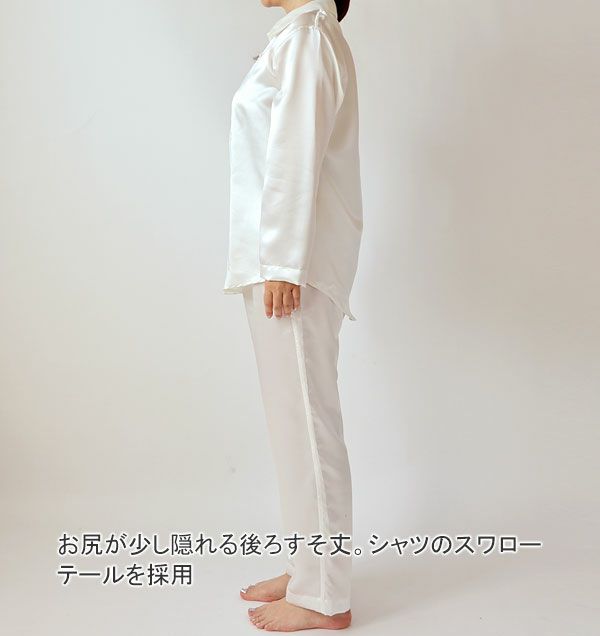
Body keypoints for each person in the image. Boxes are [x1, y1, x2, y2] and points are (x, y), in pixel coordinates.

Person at [222, 0, 362, 630]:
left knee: (307, 425)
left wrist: (282, 261)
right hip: (278, 262)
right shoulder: (296, 38)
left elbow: (296, 155)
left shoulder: (308, 37)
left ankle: (324, 595)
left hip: (291, 268)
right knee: (292, 425)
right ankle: (310, 568)